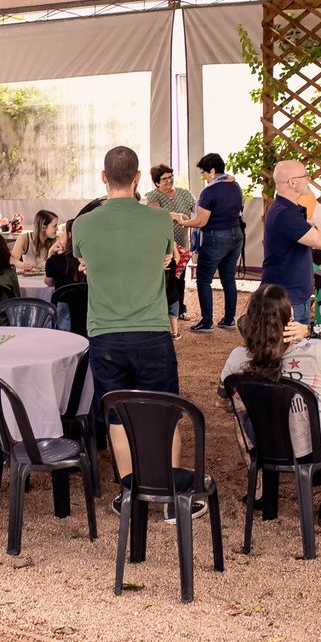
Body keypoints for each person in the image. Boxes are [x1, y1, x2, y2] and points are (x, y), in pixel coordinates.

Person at [71, 146, 198, 521]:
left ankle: (131, 495)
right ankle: (171, 498)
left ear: (104, 177)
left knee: (117, 416)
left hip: (105, 334)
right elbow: (166, 256)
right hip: (151, 330)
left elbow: (83, 259)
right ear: (139, 178)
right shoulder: (158, 220)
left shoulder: (83, 224)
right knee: (165, 412)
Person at [220, 283, 321, 518]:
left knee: (240, 417)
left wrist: (252, 404)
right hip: (316, 445)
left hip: (265, 444)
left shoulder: (237, 358)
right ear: (290, 320)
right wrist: (310, 331)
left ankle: (259, 489)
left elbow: (225, 404)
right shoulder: (314, 352)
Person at [261, 160, 321, 323]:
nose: (309, 179)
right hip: (286, 301)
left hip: (293, 297)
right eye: (305, 175)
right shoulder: (284, 214)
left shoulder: (287, 209)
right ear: (292, 182)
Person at [173, 153, 244, 333]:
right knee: (228, 279)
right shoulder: (235, 185)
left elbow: (201, 221)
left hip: (216, 237)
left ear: (212, 171)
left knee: (204, 279)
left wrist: (183, 222)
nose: (203, 177)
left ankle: (207, 322)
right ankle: (229, 319)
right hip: (236, 235)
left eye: (203, 173)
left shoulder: (210, 191)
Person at [146, 164, 197, 328]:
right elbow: (155, 213)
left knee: (180, 278)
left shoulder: (185, 193)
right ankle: (161, 312)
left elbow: (197, 210)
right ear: (157, 183)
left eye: (170, 177)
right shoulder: (153, 196)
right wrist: (175, 216)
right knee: (164, 279)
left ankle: (180, 309)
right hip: (162, 247)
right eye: (164, 179)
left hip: (182, 245)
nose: (169, 181)